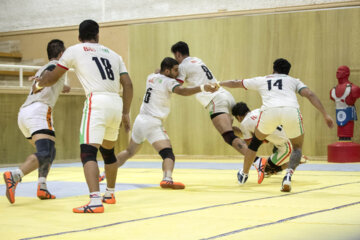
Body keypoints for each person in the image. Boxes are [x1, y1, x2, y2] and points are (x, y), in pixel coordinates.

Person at [31, 20, 133, 213]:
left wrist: (38, 84)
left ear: (79, 37)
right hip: (115, 102)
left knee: (88, 152)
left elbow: (53, 77)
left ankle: (95, 201)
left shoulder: (75, 50)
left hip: (97, 101)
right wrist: (126, 112)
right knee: (108, 152)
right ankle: (109, 193)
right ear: (98, 36)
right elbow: (128, 85)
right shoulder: (114, 54)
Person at [99, 57, 218, 189]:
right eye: (175, 70)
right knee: (168, 154)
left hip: (140, 120)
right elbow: (182, 91)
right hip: (153, 122)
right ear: (167, 71)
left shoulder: (151, 77)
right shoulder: (168, 82)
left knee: (129, 151)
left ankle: (104, 172)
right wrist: (203, 87)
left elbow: (158, 72)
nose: (178, 73)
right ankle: (167, 179)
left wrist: (164, 72)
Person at [220, 58, 334, 192]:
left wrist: (219, 83)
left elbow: (236, 83)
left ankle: (244, 174)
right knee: (297, 148)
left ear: (273, 69)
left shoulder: (263, 79)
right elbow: (309, 94)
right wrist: (325, 114)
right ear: (288, 71)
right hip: (290, 111)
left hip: (269, 112)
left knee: (254, 144)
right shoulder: (293, 81)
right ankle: (288, 177)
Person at [3, 39, 70, 204]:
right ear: (61, 54)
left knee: (50, 151)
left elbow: (53, 82)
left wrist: (48, 83)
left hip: (25, 113)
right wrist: (40, 84)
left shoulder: (44, 68)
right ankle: (14, 176)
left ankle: (42, 186)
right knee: (45, 153)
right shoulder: (58, 67)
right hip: (39, 112)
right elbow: (45, 82)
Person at [170, 41, 248, 157]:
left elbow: (177, 86)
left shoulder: (182, 66)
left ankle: (257, 161)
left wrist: (162, 76)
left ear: (178, 55)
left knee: (228, 136)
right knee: (231, 130)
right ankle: (252, 136)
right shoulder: (197, 60)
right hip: (226, 95)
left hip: (216, 100)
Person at [232, 102, 307, 183]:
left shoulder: (244, 124)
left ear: (238, 117)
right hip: (288, 137)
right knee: (266, 164)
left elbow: (251, 148)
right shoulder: (258, 111)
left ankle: (297, 159)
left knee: (267, 169)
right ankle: (294, 157)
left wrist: (236, 133)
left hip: (285, 147)